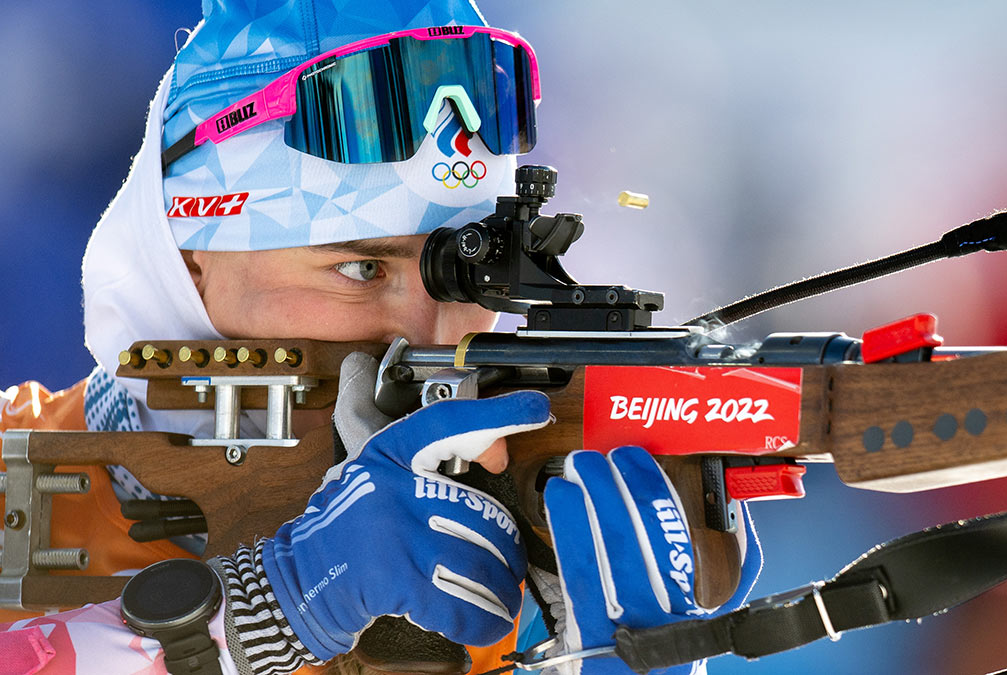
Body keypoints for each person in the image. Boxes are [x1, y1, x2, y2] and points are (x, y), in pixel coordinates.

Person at [0, 1, 761, 674]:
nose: (433, 337)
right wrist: (264, 613)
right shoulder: (16, 474)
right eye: (362, 269)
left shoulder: (521, 541)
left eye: (474, 281)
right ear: (189, 262)